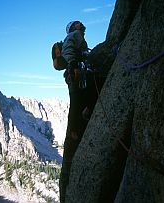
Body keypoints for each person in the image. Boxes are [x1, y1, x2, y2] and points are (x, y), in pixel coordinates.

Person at [52, 20, 92, 202]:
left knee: (78, 101)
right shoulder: (73, 36)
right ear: (72, 28)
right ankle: (75, 130)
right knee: (76, 103)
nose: (81, 25)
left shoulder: (79, 37)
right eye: (78, 23)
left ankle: (79, 122)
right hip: (74, 72)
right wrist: (75, 65)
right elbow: (69, 51)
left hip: (75, 73)